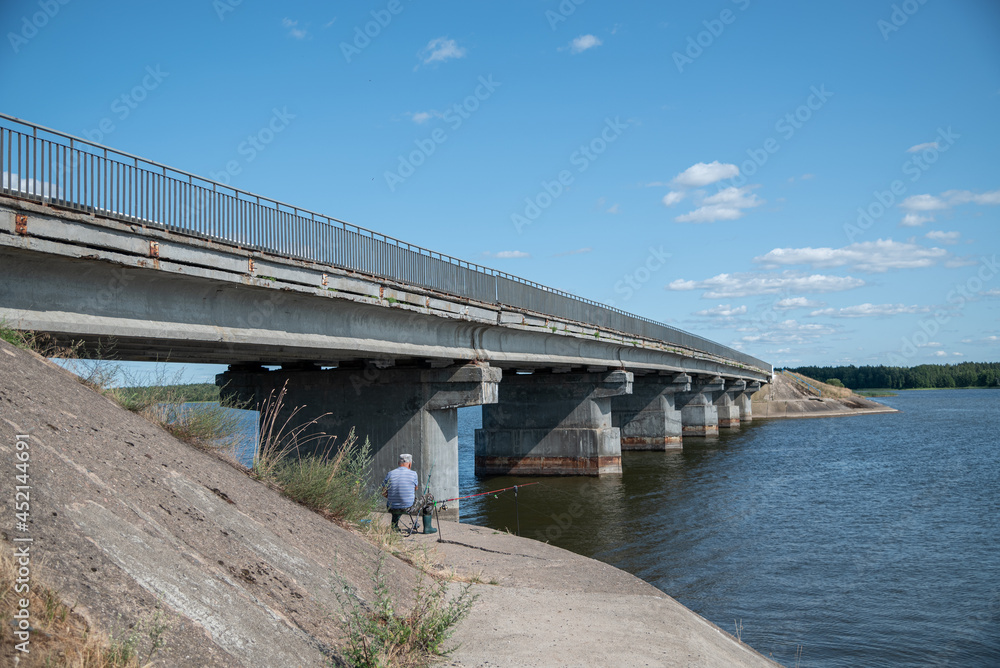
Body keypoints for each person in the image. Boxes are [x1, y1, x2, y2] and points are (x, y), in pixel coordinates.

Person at [382, 454, 419, 531]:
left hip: (391, 507)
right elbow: (415, 489)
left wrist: (393, 497)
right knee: (429, 498)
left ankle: (394, 526)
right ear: (410, 464)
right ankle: (428, 528)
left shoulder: (390, 473)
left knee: (396, 501)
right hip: (408, 508)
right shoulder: (413, 474)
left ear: (399, 463)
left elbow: (383, 492)